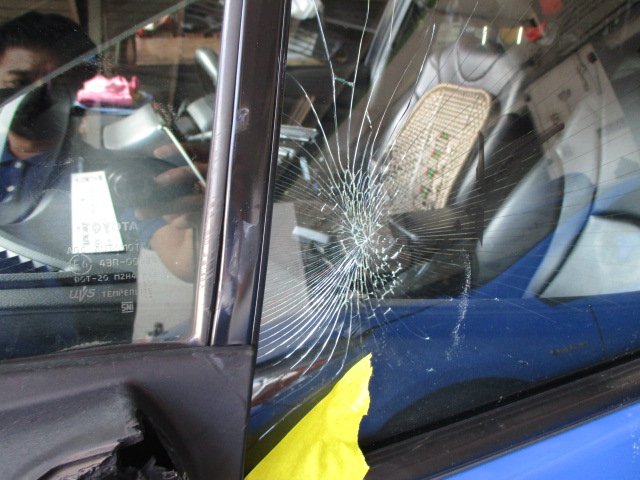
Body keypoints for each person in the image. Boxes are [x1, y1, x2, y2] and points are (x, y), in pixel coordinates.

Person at [0, 11, 204, 281]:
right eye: (19, 83)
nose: (38, 95)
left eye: (58, 84)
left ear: (83, 89)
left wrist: (202, 211)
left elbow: (185, 263)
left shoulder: (114, 176)